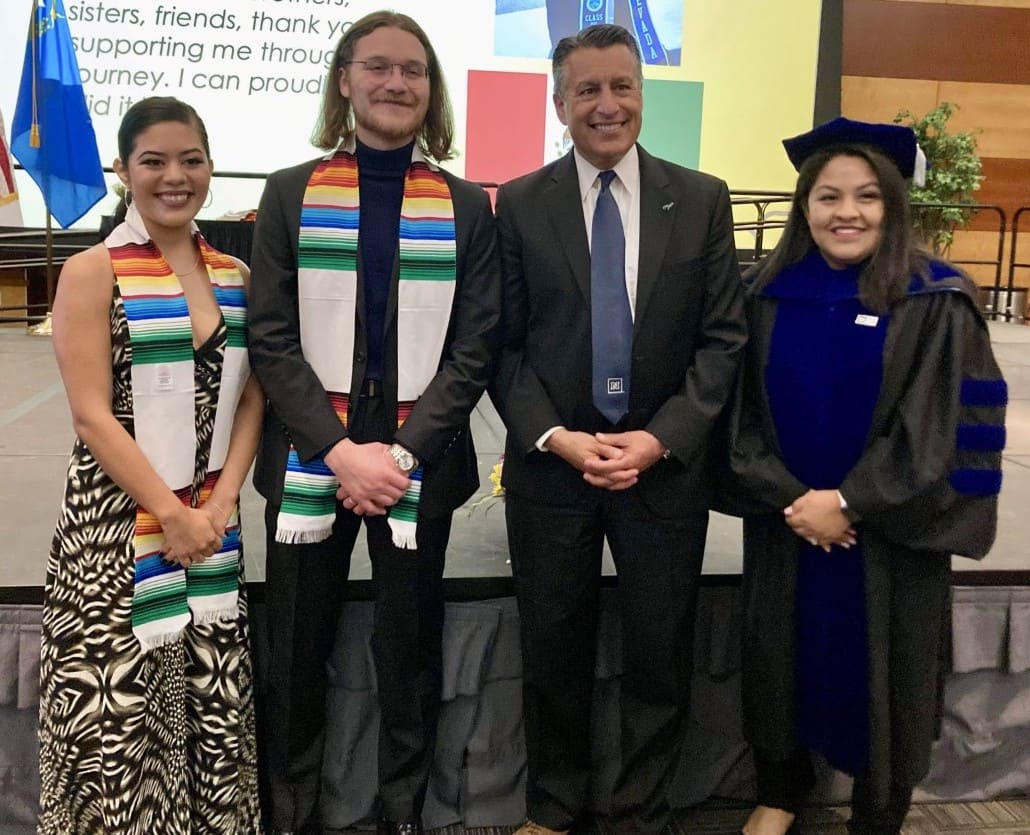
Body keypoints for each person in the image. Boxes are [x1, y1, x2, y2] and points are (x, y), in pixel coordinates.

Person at [247, 10, 501, 835]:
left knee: (410, 654)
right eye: (379, 67)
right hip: (310, 456)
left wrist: (401, 450)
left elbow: (476, 345)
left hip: (415, 463)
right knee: (292, 654)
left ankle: (401, 813)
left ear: (432, 92)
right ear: (345, 80)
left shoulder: (466, 205)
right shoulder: (289, 193)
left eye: (415, 71)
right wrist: (338, 451)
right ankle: (291, 813)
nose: (397, 84)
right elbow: (273, 340)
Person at [489, 23, 746, 834]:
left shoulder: (700, 197)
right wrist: (556, 437)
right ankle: (554, 805)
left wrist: (662, 437)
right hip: (553, 470)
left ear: (643, 92)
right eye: (588, 90)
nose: (608, 104)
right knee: (553, 650)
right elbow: (501, 344)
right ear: (560, 103)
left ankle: (640, 811)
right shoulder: (521, 201)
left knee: (659, 655)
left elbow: (723, 339)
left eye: (622, 86)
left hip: (662, 472)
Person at [727, 118, 1007, 835]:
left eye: (866, 197)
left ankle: (879, 812)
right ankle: (781, 791)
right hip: (789, 526)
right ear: (804, 205)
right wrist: (794, 498)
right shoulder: (764, 294)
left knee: (888, 676)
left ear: (893, 205)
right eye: (827, 196)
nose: (845, 212)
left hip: (888, 537)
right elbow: (736, 418)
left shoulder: (935, 299)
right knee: (780, 663)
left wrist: (850, 501)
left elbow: (945, 426)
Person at [38, 96, 265, 833]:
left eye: (191, 159)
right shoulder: (91, 270)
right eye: (154, 161)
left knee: (207, 702)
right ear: (123, 172)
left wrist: (222, 501)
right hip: (116, 531)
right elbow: (90, 414)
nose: (176, 176)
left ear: (209, 166)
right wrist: (170, 512)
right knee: (120, 714)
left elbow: (254, 396)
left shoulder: (234, 273)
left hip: (207, 525)